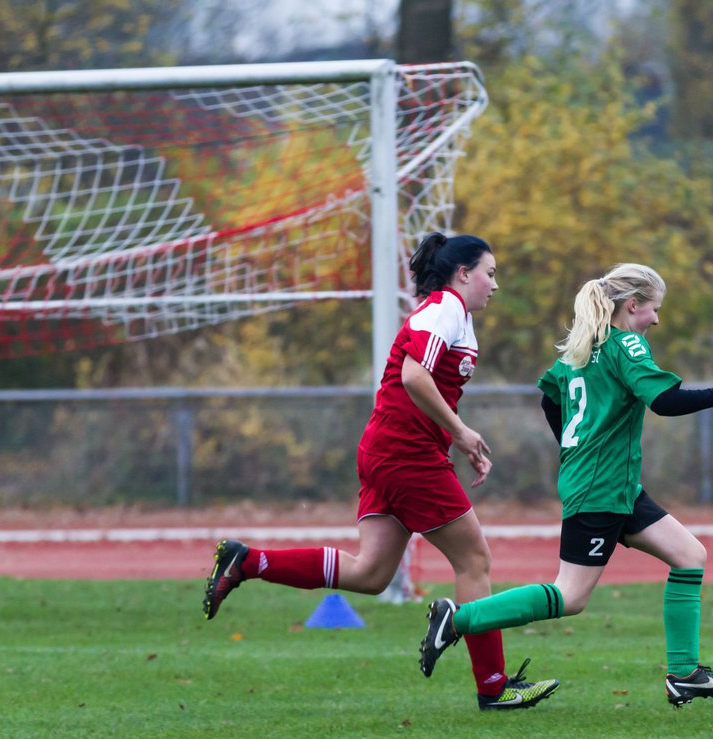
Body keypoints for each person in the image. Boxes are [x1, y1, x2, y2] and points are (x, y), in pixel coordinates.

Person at [202, 232, 559, 712]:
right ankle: (493, 686)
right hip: (405, 455)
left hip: (386, 450)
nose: (494, 284)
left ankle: (248, 561)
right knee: (474, 561)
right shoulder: (446, 307)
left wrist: (454, 436)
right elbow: (415, 375)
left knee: (370, 573)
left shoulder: (452, 313)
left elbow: (424, 383)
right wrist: (460, 432)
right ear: (463, 274)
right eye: (490, 273)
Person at [418, 263, 713, 707]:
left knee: (689, 555)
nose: (656, 319)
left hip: (616, 486)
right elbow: (665, 401)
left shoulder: (579, 350)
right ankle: (457, 620)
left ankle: (685, 674)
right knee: (570, 595)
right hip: (600, 487)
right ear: (632, 305)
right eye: (653, 309)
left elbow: (549, 398)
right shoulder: (625, 344)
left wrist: (575, 448)